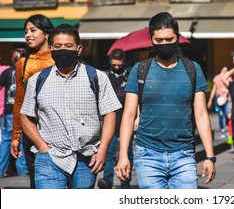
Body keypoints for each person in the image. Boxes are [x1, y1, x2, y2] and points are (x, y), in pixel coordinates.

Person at [115, 12, 216, 189]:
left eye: (169, 39)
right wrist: (123, 155)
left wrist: (210, 156)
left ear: (177, 38)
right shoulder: (140, 70)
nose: (164, 44)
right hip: (147, 154)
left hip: (184, 154)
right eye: (159, 40)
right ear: (151, 40)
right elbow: (129, 115)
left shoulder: (192, 69)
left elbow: (200, 114)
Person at [19, 24, 121, 189]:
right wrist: (41, 146)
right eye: (58, 46)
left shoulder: (97, 77)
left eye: (68, 46)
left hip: (86, 157)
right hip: (49, 158)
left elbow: (110, 114)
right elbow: (25, 117)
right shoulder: (37, 80)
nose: (63, 50)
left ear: (78, 49)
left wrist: (102, 150)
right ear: (51, 48)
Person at [11, 14, 54, 189]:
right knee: (36, 182)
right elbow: (19, 101)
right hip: (31, 130)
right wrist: (16, 137)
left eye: (33, 30)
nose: (28, 34)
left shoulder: (59, 56)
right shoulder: (23, 62)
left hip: (57, 129)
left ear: (46, 33)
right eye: (26, 31)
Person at [97, 49, 134, 189]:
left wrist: (137, 117)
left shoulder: (130, 77)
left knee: (128, 152)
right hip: (111, 122)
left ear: (124, 62)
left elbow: (135, 100)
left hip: (126, 122)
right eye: (114, 65)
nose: (117, 68)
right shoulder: (105, 77)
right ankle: (107, 181)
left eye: (119, 65)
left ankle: (126, 180)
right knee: (109, 152)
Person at [0, 48, 29, 177]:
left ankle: (0, 170)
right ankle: (22, 172)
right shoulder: (28, 72)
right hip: (24, 113)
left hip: (9, 113)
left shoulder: (7, 72)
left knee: (6, 141)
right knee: (22, 141)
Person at [207, 65, 230, 137]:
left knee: (227, 114)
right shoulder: (217, 78)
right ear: (221, 70)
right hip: (219, 98)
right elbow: (214, 89)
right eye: (224, 70)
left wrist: (224, 79)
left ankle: (227, 128)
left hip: (227, 98)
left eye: (226, 70)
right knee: (220, 114)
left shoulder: (229, 78)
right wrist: (210, 100)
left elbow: (230, 86)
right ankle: (222, 129)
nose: (225, 72)